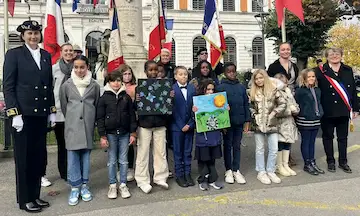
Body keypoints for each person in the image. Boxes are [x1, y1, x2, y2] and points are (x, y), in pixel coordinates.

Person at [3, 20, 56, 213]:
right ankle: (24, 200)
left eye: (36, 33)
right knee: (24, 159)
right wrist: (14, 113)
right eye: (29, 34)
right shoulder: (14, 55)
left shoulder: (45, 55)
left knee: (37, 157)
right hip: (23, 116)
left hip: (40, 115)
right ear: (23, 36)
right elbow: (8, 87)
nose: (33, 36)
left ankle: (35, 195)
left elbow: (48, 85)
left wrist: (51, 110)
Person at [60, 55, 100, 206]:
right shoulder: (67, 85)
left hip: (87, 126)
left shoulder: (94, 85)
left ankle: (84, 185)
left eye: (82, 67)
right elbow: (64, 106)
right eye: (76, 67)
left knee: (85, 157)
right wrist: (72, 118)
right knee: (72, 158)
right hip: (72, 126)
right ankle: (75, 186)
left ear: (87, 67)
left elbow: (95, 103)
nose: (79, 70)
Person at [314, 47, 359, 173]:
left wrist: (355, 108)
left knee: (342, 137)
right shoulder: (319, 71)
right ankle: (330, 161)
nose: (334, 56)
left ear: (341, 55)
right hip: (327, 110)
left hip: (343, 109)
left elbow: (353, 91)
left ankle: (343, 162)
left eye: (337, 54)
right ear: (327, 57)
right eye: (331, 54)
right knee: (328, 137)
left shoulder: (347, 70)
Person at [96, 68, 137, 199]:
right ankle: (112, 185)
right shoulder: (104, 98)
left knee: (124, 161)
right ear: (109, 82)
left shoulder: (126, 97)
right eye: (113, 81)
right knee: (112, 161)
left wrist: (133, 133)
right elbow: (100, 118)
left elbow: (131, 116)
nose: (116, 83)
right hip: (111, 134)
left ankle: (123, 184)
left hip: (125, 133)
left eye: (118, 80)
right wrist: (102, 135)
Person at [134, 60, 172, 194]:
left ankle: (160, 177)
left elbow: (168, 107)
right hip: (145, 124)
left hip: (160, 124)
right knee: (143, 152)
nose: (154, 72)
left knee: (160, 152)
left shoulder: (165, 86)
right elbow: (136, 108)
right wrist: (136, 100)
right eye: (151, 70)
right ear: (146, 72)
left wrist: (170, 98)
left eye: (156, 70)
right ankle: (142, 180)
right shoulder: (140, 87)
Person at [249, 69, 286, 185]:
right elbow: (250, 106)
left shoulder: (273, 90)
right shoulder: (252, 92)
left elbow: (283, 103)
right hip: (259, 124)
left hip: (272, 122)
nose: (259, 80)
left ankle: (271, 170)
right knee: (260, 149)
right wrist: (255, 116)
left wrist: (274, 112)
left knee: (274, 148)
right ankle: (261, 171)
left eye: (261, 78)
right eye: (256, 78)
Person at [216, 62, 250, 184]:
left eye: (233, 71)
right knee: (227, 145)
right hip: (227, 123)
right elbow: (218, 107)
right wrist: (222, 124)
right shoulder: (220, 87)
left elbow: (246, 103)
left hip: (239, 121)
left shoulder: (241, 87)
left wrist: (247, 120)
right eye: (229, 71)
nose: (231, 73)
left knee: (237, 146)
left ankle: (236, 169)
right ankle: (228, 169)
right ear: (225, 73)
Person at [193, 79, 224, 191]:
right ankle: (203, 180)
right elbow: (194, 120)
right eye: (208, 89)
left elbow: (222, 118)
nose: (210, 92)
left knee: (212, 159)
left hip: (214, 136)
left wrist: (226, 110)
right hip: (203, 136)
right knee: (203, 159)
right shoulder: (198, 102)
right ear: (203, 90)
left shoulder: (218, 102)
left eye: (212, 89)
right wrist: (194, 112)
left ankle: (212, 179)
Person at [171, 66, 196, 187]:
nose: (184, 76)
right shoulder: (171, 90)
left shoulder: (192, 88)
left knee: (187, 151)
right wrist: (181, 125)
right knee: (178, 151)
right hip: (177, 127)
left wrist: (190, 124)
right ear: (175, 76)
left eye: (185, 74)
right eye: (180, 74)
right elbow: (172, 109)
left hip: (189, 125)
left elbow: (194, 107)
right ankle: (179, 175)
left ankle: (187, 173)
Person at [295, 69, 325, 175]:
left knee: (312, 142)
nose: (311, 78)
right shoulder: (300, 91)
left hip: (315, 119)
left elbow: (319, 102)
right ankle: (307, 164)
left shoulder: (317, 90)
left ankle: (312, 162)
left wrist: (320, 113)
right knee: (306, 141)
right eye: (309, 77)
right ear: (304, 78)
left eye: (313, 76)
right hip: (305, 119)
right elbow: (297, 105)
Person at [52, 43, 74, 182]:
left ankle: (73, 168)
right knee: (62, 143)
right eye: (66, 50)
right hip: (59, 110)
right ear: (61, 52)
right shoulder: (54, 69)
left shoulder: (78, 68)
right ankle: (63, 171)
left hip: (73, 110)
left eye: (71, 50)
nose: (68, 53)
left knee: (72, 143)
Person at [274, 73, 300, 177]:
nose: (282, 84)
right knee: (280, 144)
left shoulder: (289, 93)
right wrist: (290, 110)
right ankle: (279, 165)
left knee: (287, 144)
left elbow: (295, 105)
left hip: (289, 123)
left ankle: (285, 164)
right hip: (279, 123)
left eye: (284, 82)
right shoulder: (274, 94)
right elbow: (275, 110)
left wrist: (296, 110)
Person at [119, 64, 137, 182]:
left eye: (129, 74)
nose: (127, 76)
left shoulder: (135, 87)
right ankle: (120, 168)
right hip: (119, 119)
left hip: (132, 118)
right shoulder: (116, 86)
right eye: (124, 74)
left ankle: (130, 167)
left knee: (130, 144)